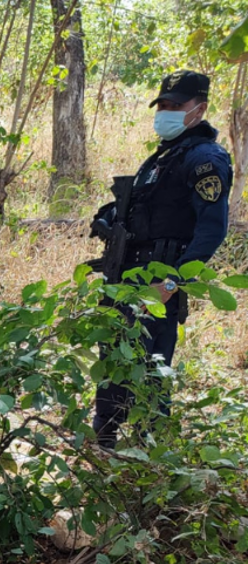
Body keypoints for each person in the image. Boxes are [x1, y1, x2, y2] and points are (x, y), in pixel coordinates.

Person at [89, 70, 231, 448]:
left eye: (175, 106)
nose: (165, 112)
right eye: (162, 105)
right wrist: (109, 217)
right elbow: (144, 210)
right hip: (125, 276)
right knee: (114, 356)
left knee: (150, 369)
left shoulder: (205, 159)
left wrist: (171, 284)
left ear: (198, 110)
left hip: (159, 283)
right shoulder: (159, 160)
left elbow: (212, 230)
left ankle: (151, 454)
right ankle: (105, 437)